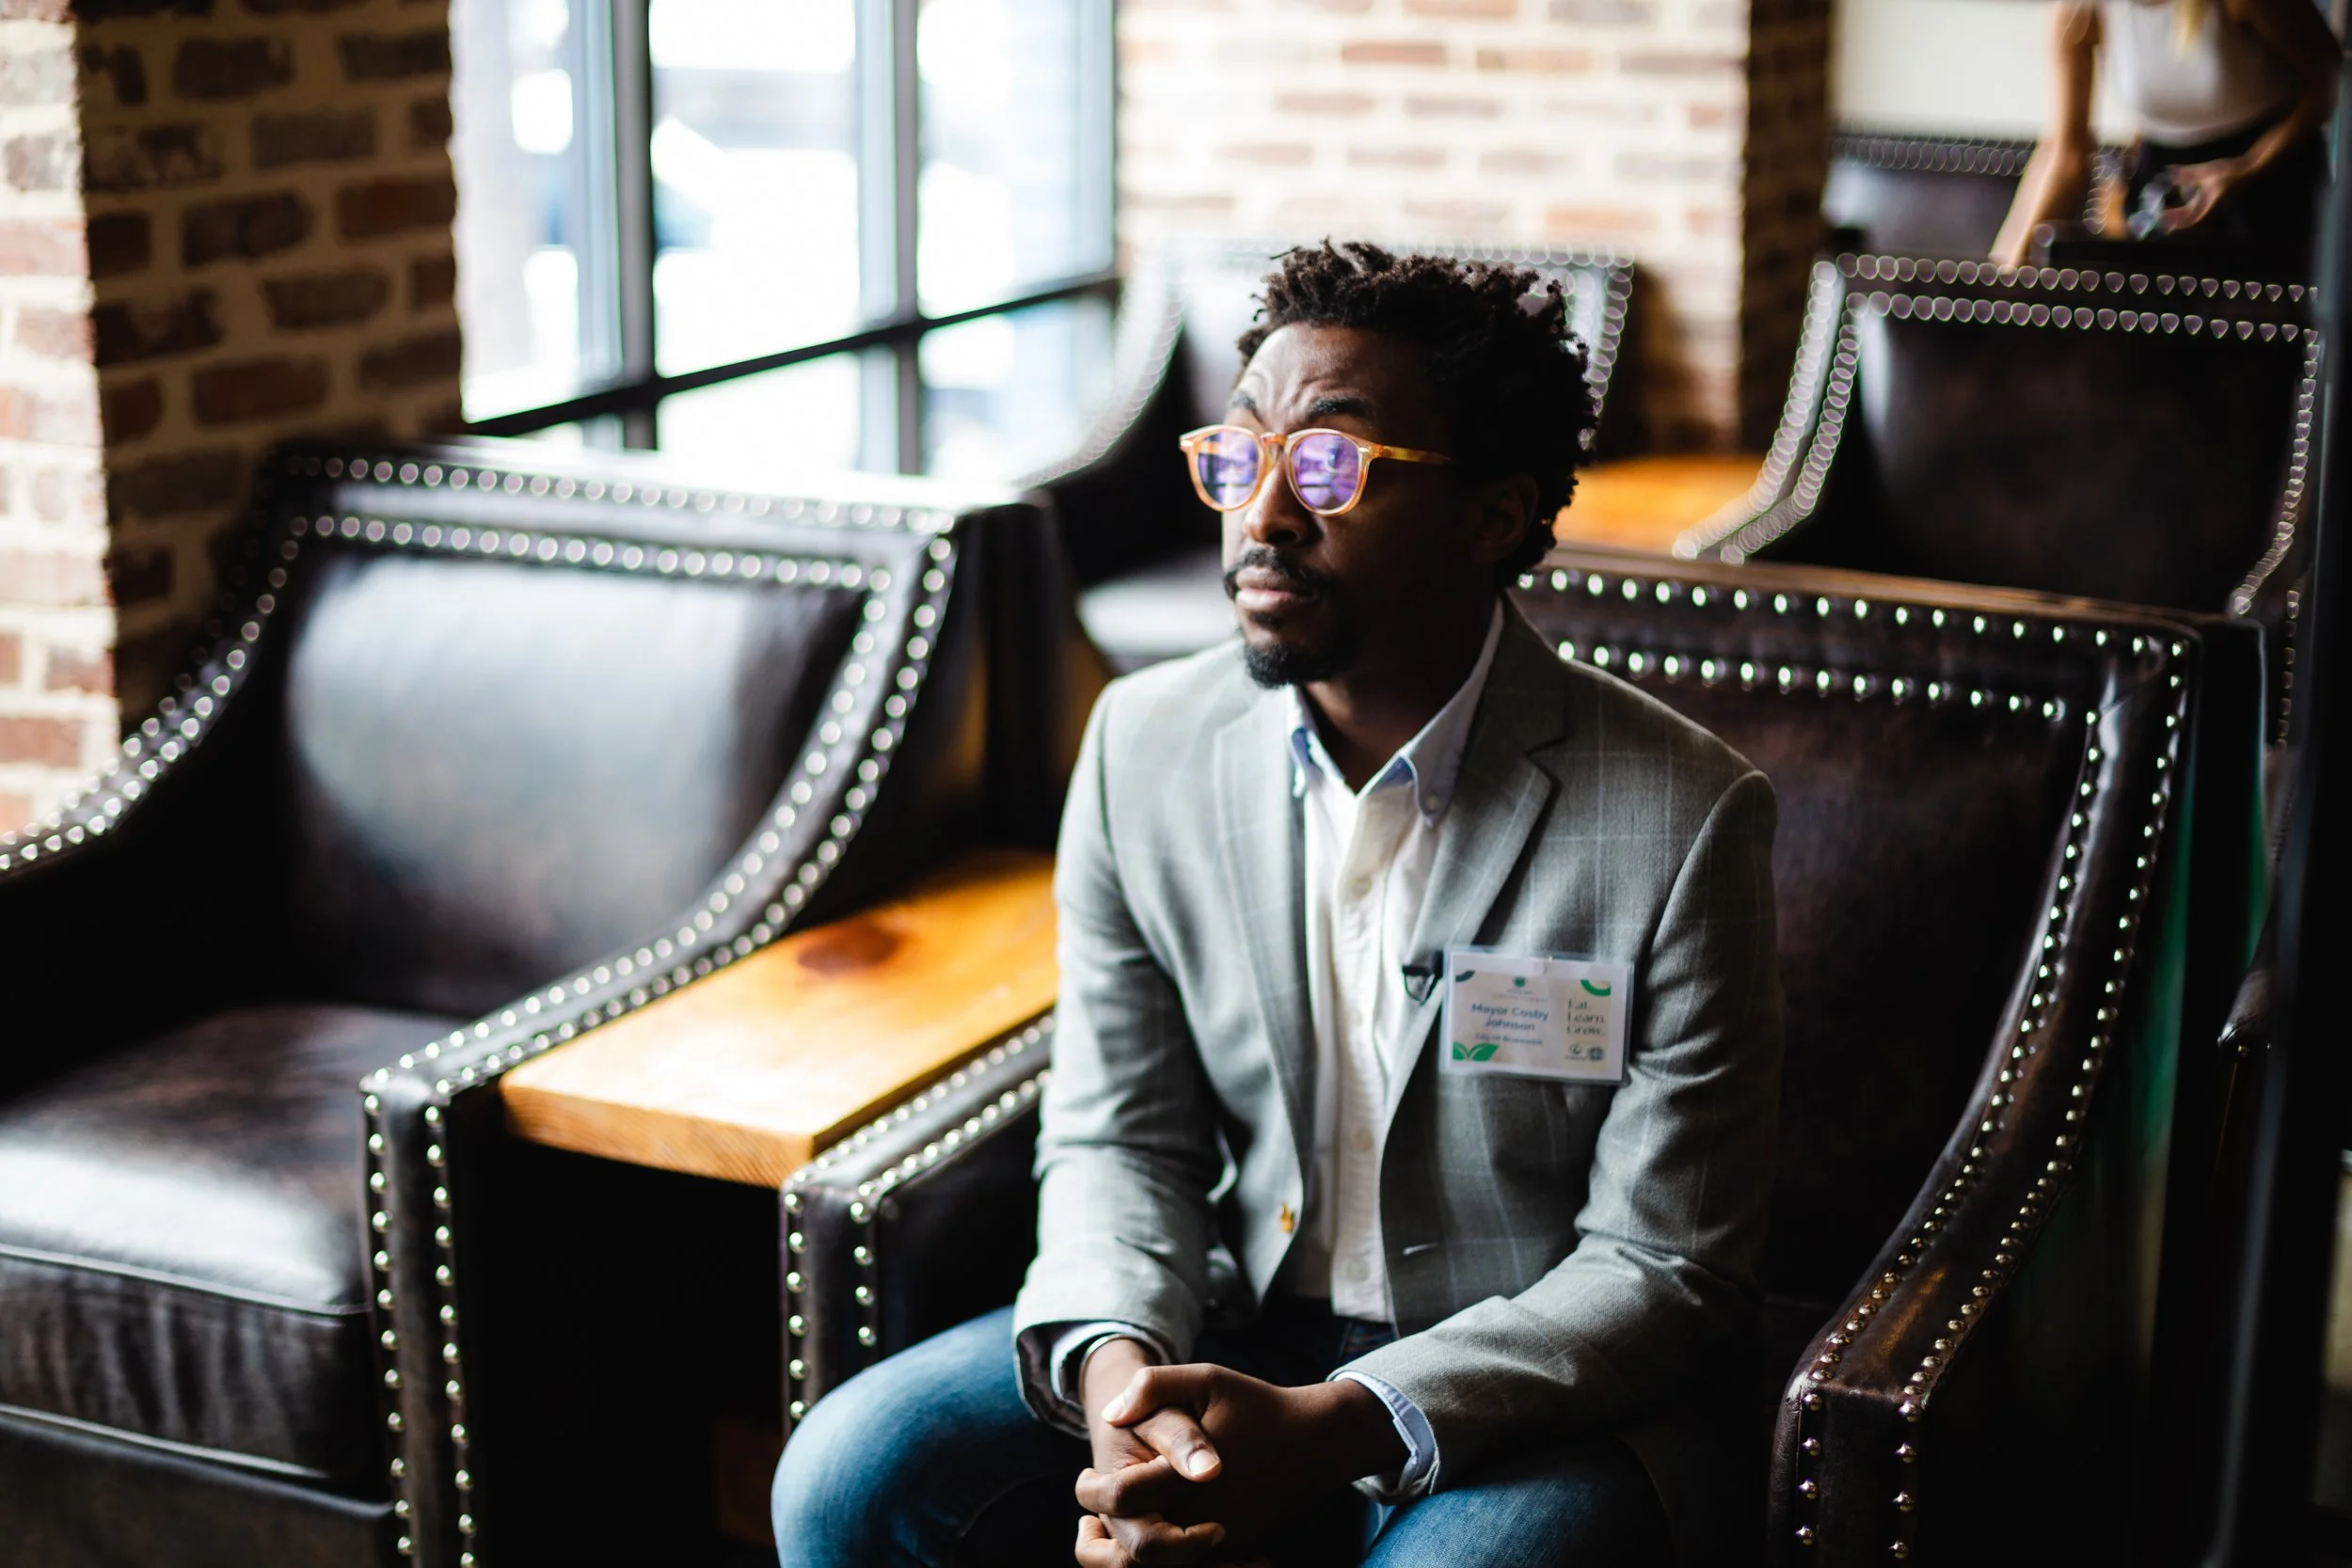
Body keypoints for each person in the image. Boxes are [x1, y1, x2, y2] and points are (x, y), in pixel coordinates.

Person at [771, 243, 1784, 1568]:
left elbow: (1664, 1266)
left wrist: (1340, 1420)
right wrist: (1124, 1392)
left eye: (1327, 464)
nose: (1262, 512)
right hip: (1235, 1312)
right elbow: (1120, 1136)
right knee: (847, 1476)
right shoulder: (1142, 744)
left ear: (1493, 513)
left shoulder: (1683, 814)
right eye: (1240, 454)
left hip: (1526, 1382)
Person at [1992, 0, 2338, 270]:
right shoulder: (2079, 13)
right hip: (2162, 199)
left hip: (2269, 188)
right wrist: (2006, 274)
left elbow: (2332, 80)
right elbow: (2065, 153)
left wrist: (2246, 169)